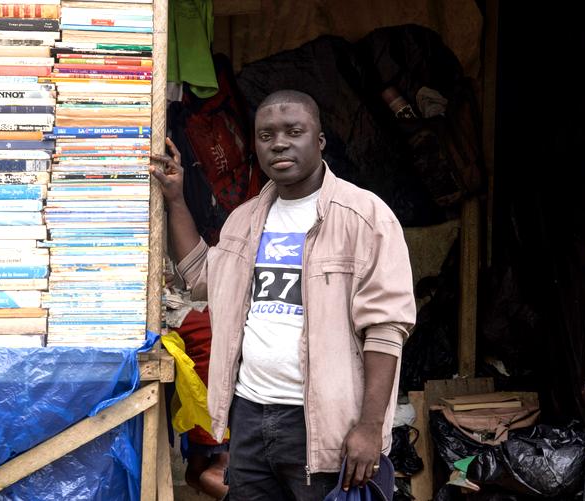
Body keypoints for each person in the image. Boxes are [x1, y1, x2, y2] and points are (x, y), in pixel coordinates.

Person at [151, 90, 416, 500]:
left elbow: (386, 329)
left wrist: (369, 428)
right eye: (266, 135)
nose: (279, 143)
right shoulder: (245, 218)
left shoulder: (365, 216)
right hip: (251, 414)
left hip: (320, 424)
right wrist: (175, 199)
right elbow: (201, 275)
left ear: (320, 140)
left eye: (295, 131)